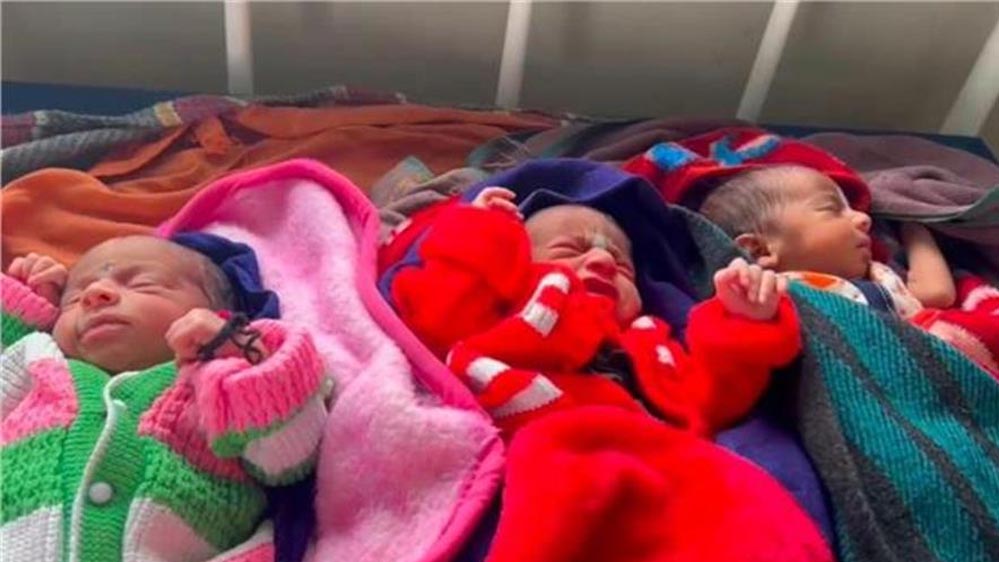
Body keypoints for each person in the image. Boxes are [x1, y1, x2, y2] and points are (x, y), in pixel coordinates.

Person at [1, 236, 330, 562]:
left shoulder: (220, 381)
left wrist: (247, 353)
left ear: (217, 313)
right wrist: (23, 308)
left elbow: (289, 459)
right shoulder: (38, 361)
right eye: (73, 299)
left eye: (142, 284)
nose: (94, 294)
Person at [388, 186, 802, 437]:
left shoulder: (651, 344)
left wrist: (743, 320)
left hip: (650, 466)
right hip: (529, 454)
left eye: (623, 266)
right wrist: (480, 234)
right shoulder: (501, 312)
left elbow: (715, 399)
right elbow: (435, 317)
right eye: (570, 249)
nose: (603, 262)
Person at [698, 164, 999, 375]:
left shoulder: (877, 274)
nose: (863, 219)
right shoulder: (773, 294)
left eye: (853, 209)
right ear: (760, 250)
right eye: (832, 209)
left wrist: (914, 229)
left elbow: (937, 294)